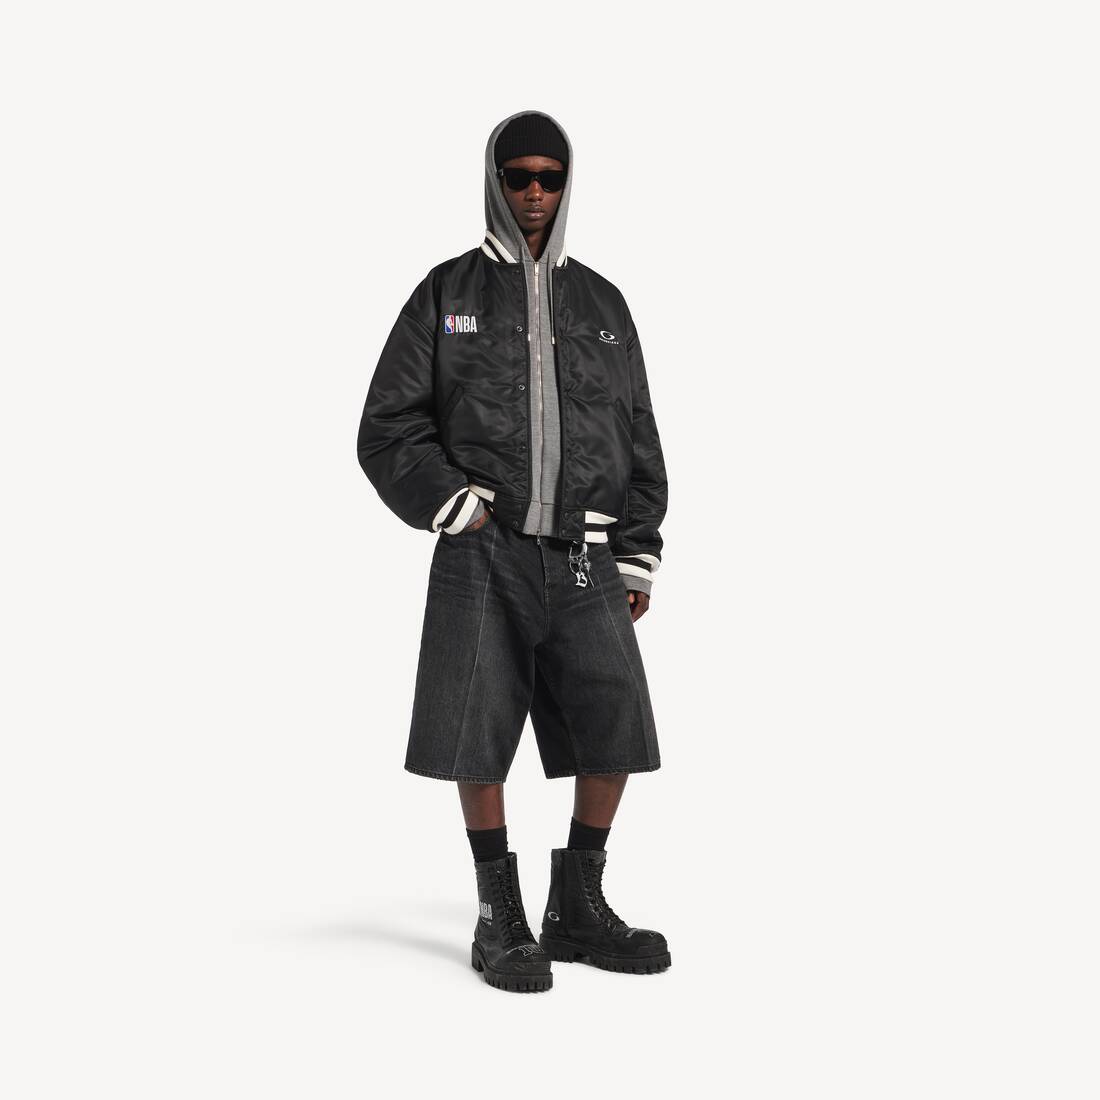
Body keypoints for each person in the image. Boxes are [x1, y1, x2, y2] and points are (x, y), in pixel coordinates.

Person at [356, 110, 670, 992]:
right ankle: (500, 913)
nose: (534, 192)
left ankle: (579, 905)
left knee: (616, 723)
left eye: (550, 177)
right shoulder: (447, 292)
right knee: (476, 730)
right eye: (519, 175)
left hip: (585, 554)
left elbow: (638, 435)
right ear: (495, 180)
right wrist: (454, 508)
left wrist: (636, 551)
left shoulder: (603, 304)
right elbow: (387, 425)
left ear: (568, 185)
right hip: (482, 551)